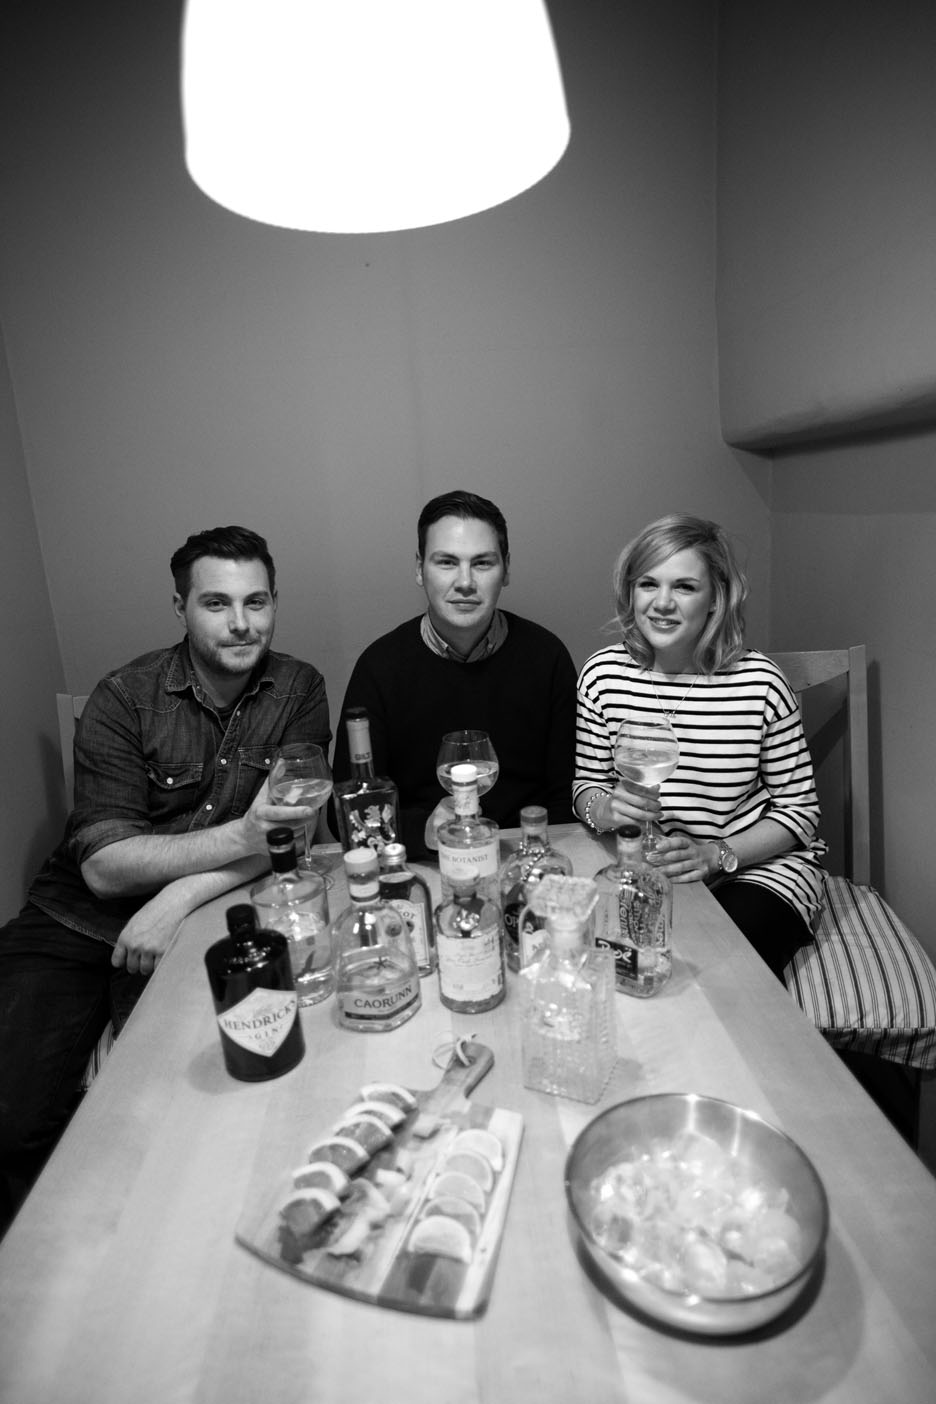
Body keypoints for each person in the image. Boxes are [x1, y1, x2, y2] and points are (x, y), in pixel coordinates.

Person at [0, 525, 329, 1234]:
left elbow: (293, 835)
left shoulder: (299, 688)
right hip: (72, 921)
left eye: (257, 601)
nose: (241, 623)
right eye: (217, 603)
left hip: (203, 913)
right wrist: (244, 836)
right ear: (180, 607)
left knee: (174, 1113)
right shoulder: (124, 697)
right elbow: (103, 867)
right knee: (13, 1116)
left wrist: (177, 897)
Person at [574, 513, 825, 980]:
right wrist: (605, 809)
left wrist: (715, 854)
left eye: (685, 587)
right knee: (623, 961)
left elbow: (800, 812)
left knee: (714, 969)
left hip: (754, 868)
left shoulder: (761, 683)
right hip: (651, 866)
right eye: (648, 584)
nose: (662, 603)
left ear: (716, 599)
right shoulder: (602, 676)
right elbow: (585, 787)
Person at [331, 490, 577, 855]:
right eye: (446, 562)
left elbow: (566, 796)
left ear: (506, 569)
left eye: (482, 563)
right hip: (420, 862)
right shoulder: (379, 668)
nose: (465, 582)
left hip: (527, 856)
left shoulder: (547, 657)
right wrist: (423, 831)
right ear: (420, 569)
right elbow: (345, 813)